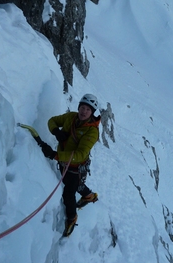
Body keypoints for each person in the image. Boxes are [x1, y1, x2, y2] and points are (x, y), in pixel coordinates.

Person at [47, 93, 101, 237]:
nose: (84, 111)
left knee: (68, 193)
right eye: (82, 107)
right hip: (65, 162)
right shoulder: (71, 117)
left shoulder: (92, 131)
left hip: (75, 167)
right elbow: (52, 120)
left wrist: (55, 155)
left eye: (88, 110)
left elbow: (80, 154)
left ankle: (72, 218)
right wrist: (56, 131)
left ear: (92, 113)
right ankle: (89, 196)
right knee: (75, 185)